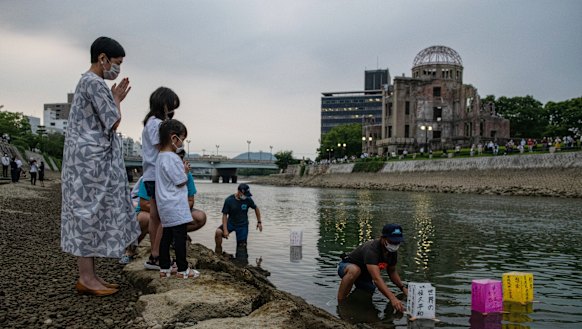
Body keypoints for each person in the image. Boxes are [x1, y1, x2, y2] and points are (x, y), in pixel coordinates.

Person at [60, 36, 140, 296]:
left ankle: (91, 276)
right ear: (102, 58)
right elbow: (113, 121)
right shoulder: (93, 83)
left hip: (86, 163)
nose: (117, 69)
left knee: (90, 215)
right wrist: (117, 99)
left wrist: (113, 97)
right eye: (116, 62)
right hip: (89, 166)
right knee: (87, 214)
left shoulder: (88, 82)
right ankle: (86, 278)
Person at [141, 87, 181, 270]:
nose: (172, 109)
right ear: (163, 103)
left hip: (151, 175)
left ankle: (154, 255)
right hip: (158, 175)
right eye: (171, 104)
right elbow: (162, 147)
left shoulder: (150, 122)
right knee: (165, 217)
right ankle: (157, 256)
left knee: (156, 216)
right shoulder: (156, 123)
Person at [155, 119, 199, 279]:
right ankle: (183, 269)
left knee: (166, 237)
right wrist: (185, 170)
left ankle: (164, 268)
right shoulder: (172, 158)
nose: (182, 143)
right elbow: (180, 180)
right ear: (174, 139)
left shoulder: (160, 157)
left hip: (165, 205)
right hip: (175, 205)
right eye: (183, 139)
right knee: (180, 238)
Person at [337, 224, 408, 313]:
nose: (395, 245)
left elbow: (392, 271)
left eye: (397, 242)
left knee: (367, 293)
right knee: (355, 270)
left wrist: (402, 288)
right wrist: (393, 299)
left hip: (365, 276)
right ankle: (340, 303)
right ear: (383, 238)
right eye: (392, 241)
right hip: (346, 267)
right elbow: (377, 279)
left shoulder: (392, 252)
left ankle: (353, 304)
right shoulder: (372, 249)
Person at [215, 183, 262, 255]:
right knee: (218, 232)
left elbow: (256, 208)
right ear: (239, 192)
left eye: (247, 195)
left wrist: (259, 222)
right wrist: (225, 230)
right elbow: (224, 215)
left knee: (241, 248)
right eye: (244, 195)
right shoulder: (229, 200)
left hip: (242, 226)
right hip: (231, 223)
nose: (246, 196)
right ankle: (218, 253)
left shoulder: (248, 200)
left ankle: (240, 260)